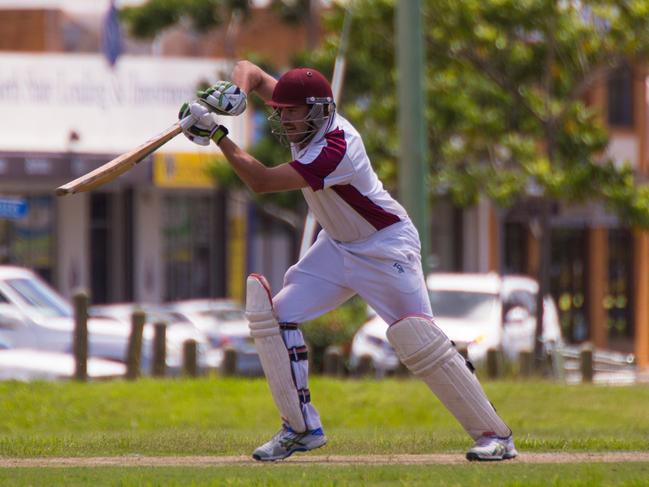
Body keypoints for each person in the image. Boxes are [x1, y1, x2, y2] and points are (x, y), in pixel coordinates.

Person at [178, 60, 518, 463]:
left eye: (292, 111)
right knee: (277, 316)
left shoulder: (338, 148)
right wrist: (234, 92)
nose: (284, 118)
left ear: (319, 110)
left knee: (420, 341)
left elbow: (262, 182)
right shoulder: (303, 113)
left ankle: (496, 436)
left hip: (385, 246)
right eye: (280, 110)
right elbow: (248, 69)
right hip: (337, 246)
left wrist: (217, 134)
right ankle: (300, 429)